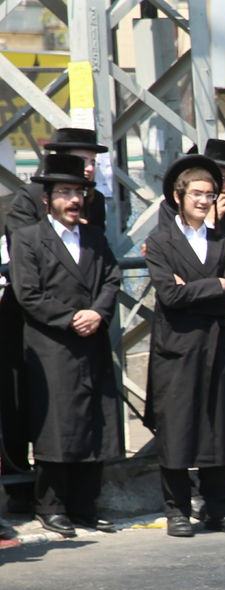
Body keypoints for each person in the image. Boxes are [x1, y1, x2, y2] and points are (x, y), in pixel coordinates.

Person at [6, 152, 122, 537]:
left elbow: (111, 278)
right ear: (47, 199)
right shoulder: (28, 238)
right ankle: (51, 505)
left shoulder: (93, 236)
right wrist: (72, 318)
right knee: (57, 425)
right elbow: (29, 293)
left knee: (95, 422)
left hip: (93, 339)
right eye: (65, 192)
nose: (74, 199)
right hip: (51, 342)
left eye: (79, 192)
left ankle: (85, 504)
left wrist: (98, 314)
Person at [143, 153, 225, 536]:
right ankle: (177, 509)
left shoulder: (223, 241)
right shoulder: (160, 242)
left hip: (216, 345)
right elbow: (169, 296)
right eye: (197, 194)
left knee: (217, 428)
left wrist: (199, 289)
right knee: (177, 427)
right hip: (177, 348)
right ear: (178, 196)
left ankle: (218, 507)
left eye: (210, 194)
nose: (204, 201)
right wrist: (214, 286)